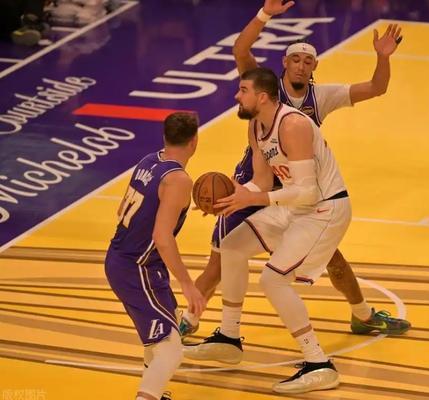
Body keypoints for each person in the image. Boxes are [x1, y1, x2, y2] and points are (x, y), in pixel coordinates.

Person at [179, 0, 410, 338]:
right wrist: (265, 14)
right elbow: (241, 49)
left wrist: (383, 58)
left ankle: (363, 315)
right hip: (254, 183)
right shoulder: (264, 89)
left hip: (295, 191)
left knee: (333, 259)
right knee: (220, 261)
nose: (301, 66)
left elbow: (377, 88)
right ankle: (186, 322)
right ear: (284, 63)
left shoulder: (322, 97)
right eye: (296, 59)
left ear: (314, 67)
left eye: (308, 61)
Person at [184, 67, 352, 394]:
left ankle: (319, 363)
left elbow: (308, 191)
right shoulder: (256, 125)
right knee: (231, 247)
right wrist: (231, 197)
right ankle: (229, 338)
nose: (237, 96)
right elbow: (261, 181)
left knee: (273, 280)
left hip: (325, 209)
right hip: (295, 206)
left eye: (243, 90)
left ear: (262, 97)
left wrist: (254, 198)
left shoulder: (293, 125)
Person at [105, 112, 206, 400]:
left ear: (165, 137)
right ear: (194, 141)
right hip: (136, 267)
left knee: (160, 335)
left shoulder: (149, 160)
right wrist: (187, 283)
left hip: (124, 258)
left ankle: (154, 393)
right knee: (171, 349)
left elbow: (122, 210)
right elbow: (162, 238)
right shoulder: (178, 180)